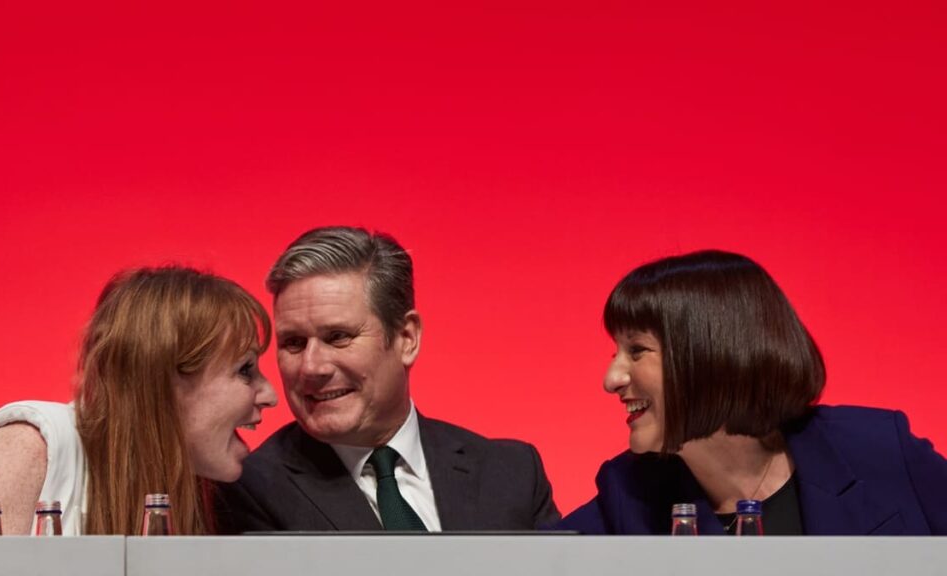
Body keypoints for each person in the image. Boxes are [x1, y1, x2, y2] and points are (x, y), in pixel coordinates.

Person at [559, 250, 947, 535]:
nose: (611, 379)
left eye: (637, 350)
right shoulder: (628, 492)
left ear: (713, 356)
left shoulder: (878, 448)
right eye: (615, 352)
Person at [217, 226, 560, 531]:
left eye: (338, 336)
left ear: (406, 338)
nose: (311, 367)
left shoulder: (511, 473)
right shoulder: (249, 488)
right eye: (293, 343)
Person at [0, 266, 278, 535]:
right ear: (163, 380)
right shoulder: (24, 448)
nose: (270, 395)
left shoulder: (199, 494)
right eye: (245, 370)